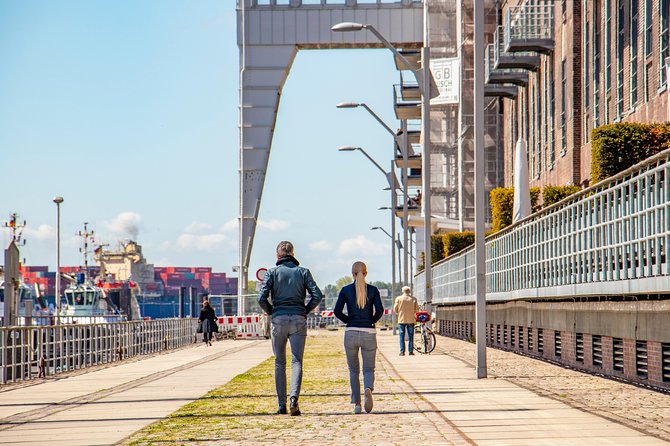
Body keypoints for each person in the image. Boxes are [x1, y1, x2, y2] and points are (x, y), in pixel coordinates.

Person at [257, 241, 323, 416]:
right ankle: (294, 398)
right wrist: (305, 310)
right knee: (296, 361)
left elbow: (261, 297)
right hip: (298, 319)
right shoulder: (303, 272)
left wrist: (271, 310)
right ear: (293, 254)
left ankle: (281, 404)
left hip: (278, 318)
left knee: (279, 362)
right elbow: (317, 295)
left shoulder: (272, 273)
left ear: (277, 255)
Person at [334, 261, 383, 414]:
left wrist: (348, 321)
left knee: (353, 370)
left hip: (351, 333)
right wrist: (372, 321)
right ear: (365, 273)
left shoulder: (345, 290)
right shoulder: (373, 290)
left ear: (352, 273)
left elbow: (337, 311)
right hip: (369, 332)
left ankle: (357, 404)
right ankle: (368, 388)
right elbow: (380, 310)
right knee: (369, 368)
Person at [394, 286, 419, 356]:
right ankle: (410, 351)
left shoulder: (398, 299)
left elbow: (395, 308)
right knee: (411, 336)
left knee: (401, 336)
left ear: (402, 291)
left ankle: (402, 351)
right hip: (411, 320)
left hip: (401, 319)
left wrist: (398, 313)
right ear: (409, 291)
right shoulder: (413, 299)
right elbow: (417, 310)